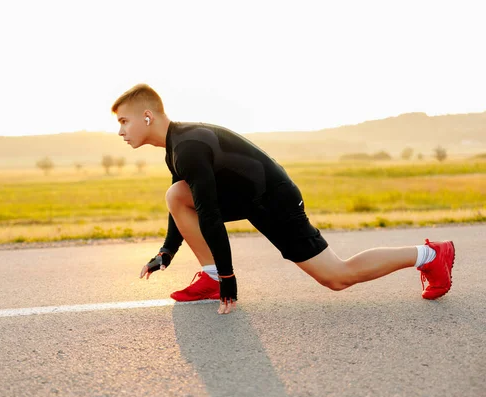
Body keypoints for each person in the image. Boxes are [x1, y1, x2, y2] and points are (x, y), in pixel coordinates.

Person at [111, 83, 455, 315]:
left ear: (148, 116)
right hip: (249, 199)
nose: (121, 131)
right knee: (176, 193)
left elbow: (209, 213)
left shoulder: (188, 146)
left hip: (275, 201)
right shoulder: (176, 148)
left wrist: (231, 277)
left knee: (337, 276)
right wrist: (166, 253)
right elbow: (183, 206)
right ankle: (210, 276)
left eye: (124, 121)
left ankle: (430, 254)